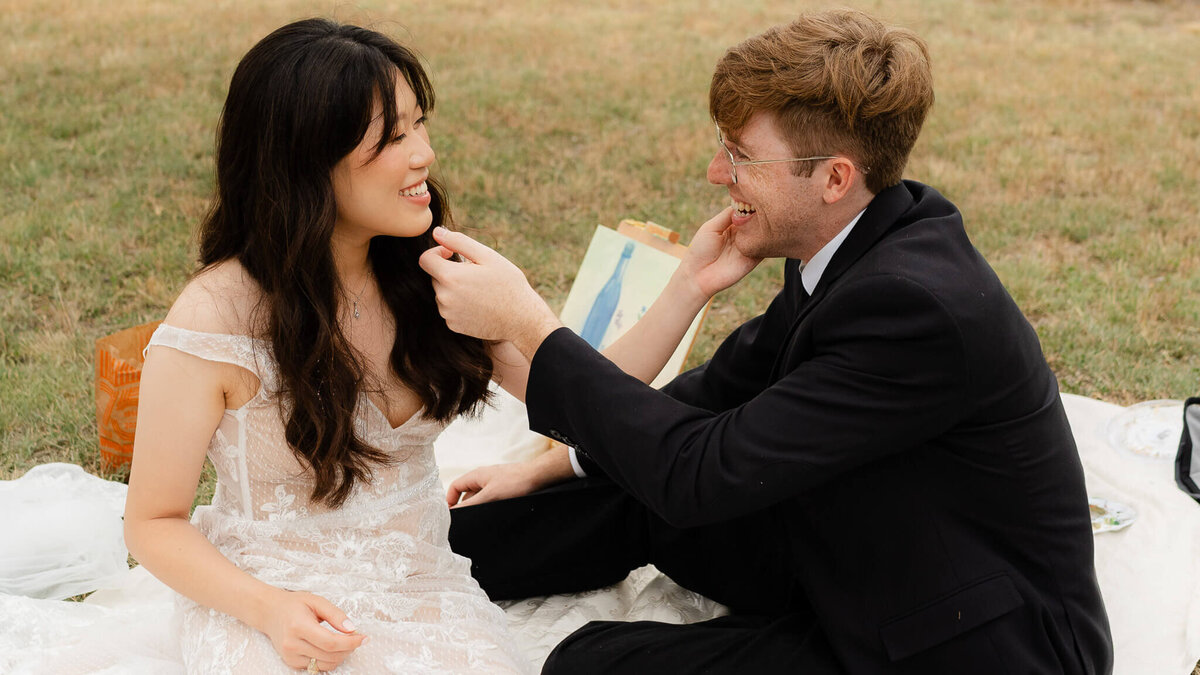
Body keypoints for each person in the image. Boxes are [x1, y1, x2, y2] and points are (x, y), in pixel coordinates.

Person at [420, 8, 1114, 674]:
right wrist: (556, 465)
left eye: (741, 155)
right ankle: (408, 565)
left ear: (835, 177)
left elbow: (698, 473)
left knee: (588, 660)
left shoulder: (913, 307)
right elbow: (716, 394)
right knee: (630, 486)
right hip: (859, 537)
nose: (718, 174)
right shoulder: (860, 237)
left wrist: (528, 324)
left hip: (963, 637)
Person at [119, 19, 531, 674]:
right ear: (308, 162)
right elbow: (152, 521)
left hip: (425, 594)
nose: (423, 152)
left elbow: (582, 396)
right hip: (269, 600)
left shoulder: (433, 275)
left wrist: (692, 282)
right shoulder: (217, 316)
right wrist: (270, 609)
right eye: (393, 137)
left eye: (419, 124)